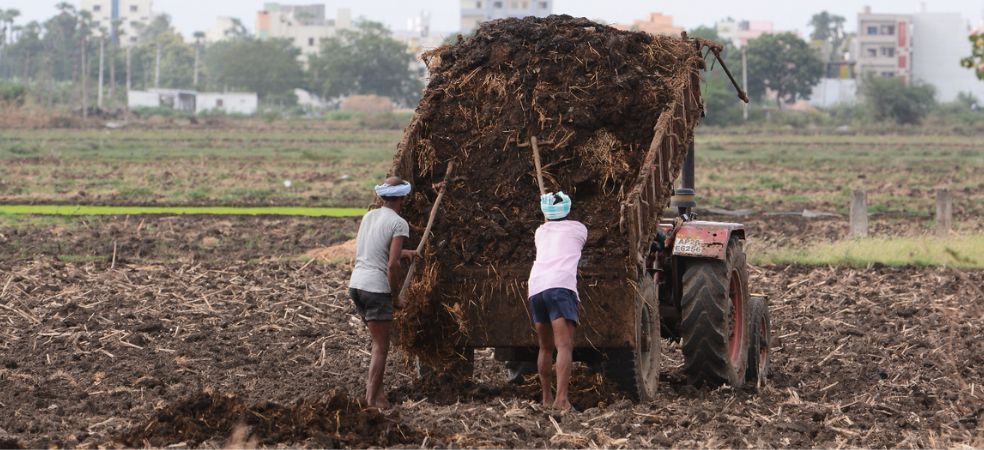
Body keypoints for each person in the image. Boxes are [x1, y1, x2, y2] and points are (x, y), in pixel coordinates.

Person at [348, 176, 418, 408]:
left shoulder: (369, 216)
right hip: (376, 288)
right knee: (381, 347)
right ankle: (370, 401)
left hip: (356, 285)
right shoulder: (399, 223)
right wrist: (395, 295)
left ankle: (378, 396)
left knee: (377, 342)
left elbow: (376, 249)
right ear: (402, 198)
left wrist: (405, 252)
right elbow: (392, 264)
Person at [527, 192, 587, 411]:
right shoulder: (579, 229)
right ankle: (562, 401)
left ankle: (546, 399)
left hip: (536, 287)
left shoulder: (539, 232)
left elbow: (549, 232)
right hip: (560, 287)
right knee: (563, 345)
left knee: (545, 348)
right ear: (568, 209)